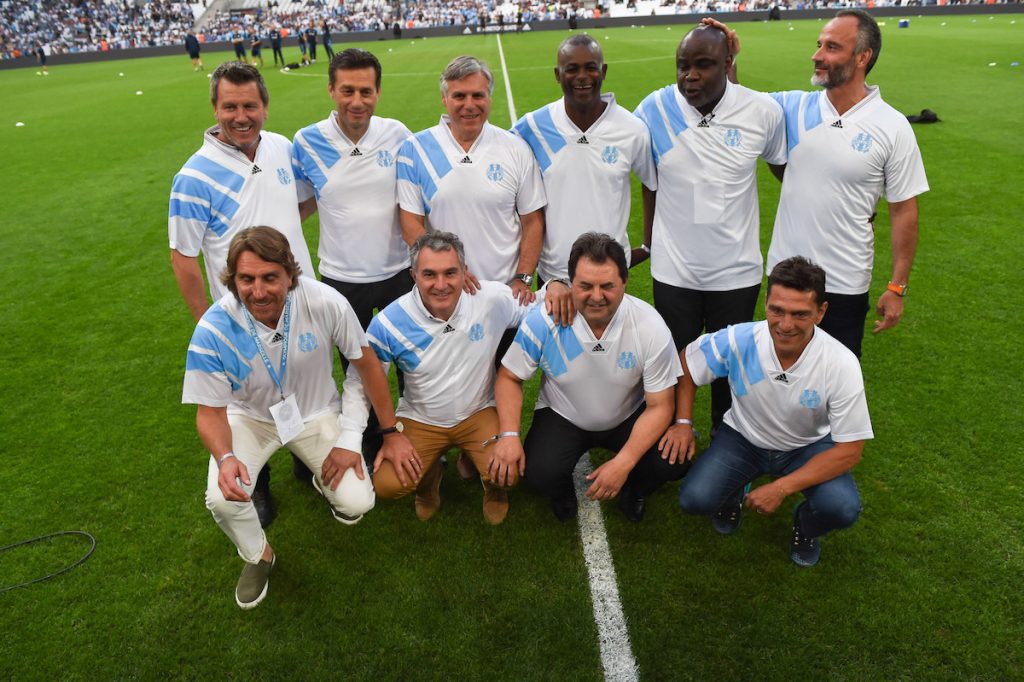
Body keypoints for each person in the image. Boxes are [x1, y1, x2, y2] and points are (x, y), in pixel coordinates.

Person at [183, 227, 415, 609]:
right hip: (248, 419)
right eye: (246, 279)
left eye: (270, 277)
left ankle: (323, 479)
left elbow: (367, 365)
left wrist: (383, 433)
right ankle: (259, 555)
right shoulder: (212, 328)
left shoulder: (324, 301)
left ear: (290, 274)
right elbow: (209, 412)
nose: (258, 291)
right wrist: (225, 459)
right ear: (232, 279)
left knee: (357, 502)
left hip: (315, 411)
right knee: (221, 499)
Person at [714, 11, 928, 356]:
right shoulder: (792, 107)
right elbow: (738, 104)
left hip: (845, 281)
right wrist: (729, 58)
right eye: (818, 45)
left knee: (835, 381)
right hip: (785, 278)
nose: (817, 55)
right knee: (778, 374)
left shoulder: (893, 126)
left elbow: (904, 210)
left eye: (831, 47)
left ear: (862, 57)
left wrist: (897, 286)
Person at [169, 62, 316, 527]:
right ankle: (261, 483)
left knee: (305, 377)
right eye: (229, 106)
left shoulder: (280, 147)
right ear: (215, 108)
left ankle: (306, 456)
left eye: (249, 105)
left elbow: (303, 201)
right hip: (241, 314)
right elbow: (183, 257)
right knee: (252, 398)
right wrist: (205, 320)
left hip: (301, 298)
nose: (240, 115)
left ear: (265, 108)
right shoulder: (193, 176)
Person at [344, 233, 565, 523]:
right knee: (387, 484)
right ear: (413, 276)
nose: (440, 284)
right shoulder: (388, 322)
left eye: (450, 273)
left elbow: (535, 303)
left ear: (464, 272)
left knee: (508, 473)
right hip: (421, 418)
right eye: (429, 274)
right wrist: (371, 436)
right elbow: (361, 382)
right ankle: (429, 477)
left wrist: (556, 286)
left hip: (478, 412)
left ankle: (495, 490)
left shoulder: (489, 299)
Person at [633, 24, 785, 436]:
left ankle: (725, 452)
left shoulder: (761, 110)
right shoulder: (654, 109)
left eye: (704, 65)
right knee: (668, 368)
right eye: (683, 66)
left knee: (727, 373)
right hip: (674, 272)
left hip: (736, 274)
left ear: (728, 65)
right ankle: (663, 450)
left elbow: (788, 172)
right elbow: (644, 180)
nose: (690, 76)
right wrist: (647, 242)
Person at [670, 257, 871, 567]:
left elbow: (850, 451)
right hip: (742, 439)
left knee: (842, 509)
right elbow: (687, 363)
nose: (786, 324)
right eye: (777, 310)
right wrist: (683, 422)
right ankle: (734, 489)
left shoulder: (840, 363)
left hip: (808, 446)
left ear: (821, 312)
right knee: (694, 499)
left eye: (800, 314)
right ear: (766, 302)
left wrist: (781, 488)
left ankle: (805, 525)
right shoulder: (740, 339)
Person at [494, 233, 688, 523]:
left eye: (607, 286)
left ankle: (635, 487)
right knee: (538, 473)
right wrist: (509, 435)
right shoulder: (544, 320)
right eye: (585, 286)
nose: (597, 296)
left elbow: (661, 405)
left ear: (625, 282)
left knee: (672, 460)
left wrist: (624, 463)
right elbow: (509, 377)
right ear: (571, 283)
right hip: (563, 414)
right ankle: (561, 491)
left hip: (627, 415)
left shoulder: (650, 326)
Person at [292, 48, 413, 463]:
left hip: (399, 271)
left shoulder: (397, 133)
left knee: (409, 362)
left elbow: (414, 198)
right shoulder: (306, 142)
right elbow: (301, 204)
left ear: (378, 92)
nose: (356, 100)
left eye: (365, 90)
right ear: (331, 90)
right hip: (342, 278)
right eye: (347, 90)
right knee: (355, 368)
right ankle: (367, 437)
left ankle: (415, 432)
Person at [397, 55, 546, 303]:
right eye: (459, 96)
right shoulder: (415, 149)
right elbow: (410, 223)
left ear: (489, 98)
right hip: (447, 295)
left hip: (506, 295)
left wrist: (523, 277)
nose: (470, 105)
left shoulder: (516, 148)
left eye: (478, 95)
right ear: (444, 99)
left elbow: (533, 221)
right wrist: (448, 269)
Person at [513, 34, 656, 287]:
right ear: (558, 74)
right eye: (572, 69)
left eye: (591, 67)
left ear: (604, 71)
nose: (582, 76)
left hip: (610, 273)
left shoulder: (632, 129)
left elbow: (652, 185)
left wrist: (647, 245)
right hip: (554, 277)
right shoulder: (533, 126)